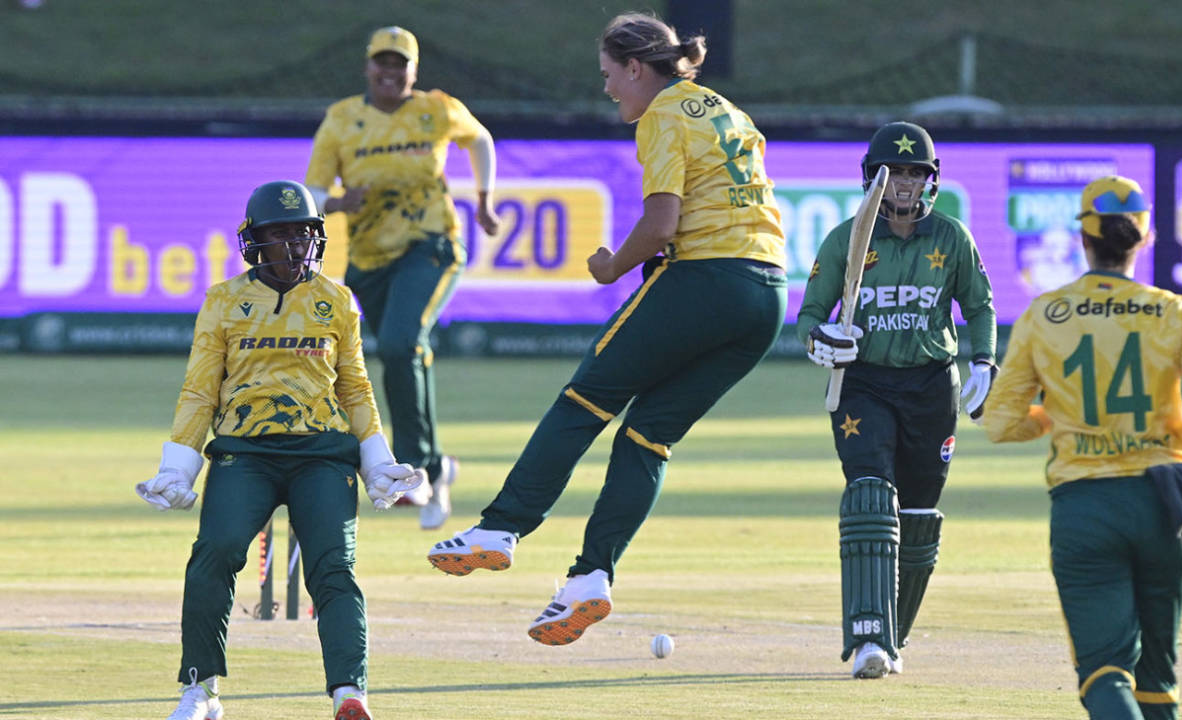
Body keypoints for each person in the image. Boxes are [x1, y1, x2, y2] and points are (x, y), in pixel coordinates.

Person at [426, 11, 788, 647]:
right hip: (766, 296)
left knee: (583, 401)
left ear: (636, 67)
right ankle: (590, 577)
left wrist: (611, 267)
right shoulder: (725, 109)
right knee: (647, 438)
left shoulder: (663, 115)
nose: (607, 89)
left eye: (610, 75)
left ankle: (500, 528)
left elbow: (663, 223)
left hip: (706, 279)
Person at [136, 181, 425, 720]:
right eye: (280, 234)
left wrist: (376, 459)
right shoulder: (224, 301)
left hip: (323, 455)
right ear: (254, 241)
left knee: (334, 570)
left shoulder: (336, 300)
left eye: (303, 233)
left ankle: (349, 693)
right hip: (243, 454)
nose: (294, 245)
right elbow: (200, 389)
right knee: (213, 555)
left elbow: (355, 388)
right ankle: (201, 691)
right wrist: (178, 464)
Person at [983, 175, 1182, 719]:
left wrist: (1054, 418)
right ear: (1144, 239)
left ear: (1085, 238)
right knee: (1157, 681)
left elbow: (1001, 422)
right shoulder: (1175, 311)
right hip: (1165, 504)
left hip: (1085, 508)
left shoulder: (1045, 314)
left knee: (1104, 673)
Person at [796, 120, 997, 678]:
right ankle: (866, 636)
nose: (904, 185)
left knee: (918, 517)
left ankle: (892, 636)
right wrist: (821, 343)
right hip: (864, 384)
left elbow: (979, 306)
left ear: (931, 181)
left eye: (915, 174)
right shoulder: (846, 239)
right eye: (894, 174)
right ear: (872, 178)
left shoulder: (952, 237)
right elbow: (811, 315)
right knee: (868, 495)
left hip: (932, 387)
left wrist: (983, 360)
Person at [305, 25, 500, 530]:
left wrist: (483, 198)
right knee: (401, 350)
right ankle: (437, 465)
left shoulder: (435, 109)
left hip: (431, 244)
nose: (390, 73)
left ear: (414, 71)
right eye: (382, 63)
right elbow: (312, 191)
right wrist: (337, 203)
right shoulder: (343, 120)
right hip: (370, 259)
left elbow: (479, 140)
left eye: (400, 64)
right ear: (368, 67)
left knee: (399, 344)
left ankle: (421, 471)